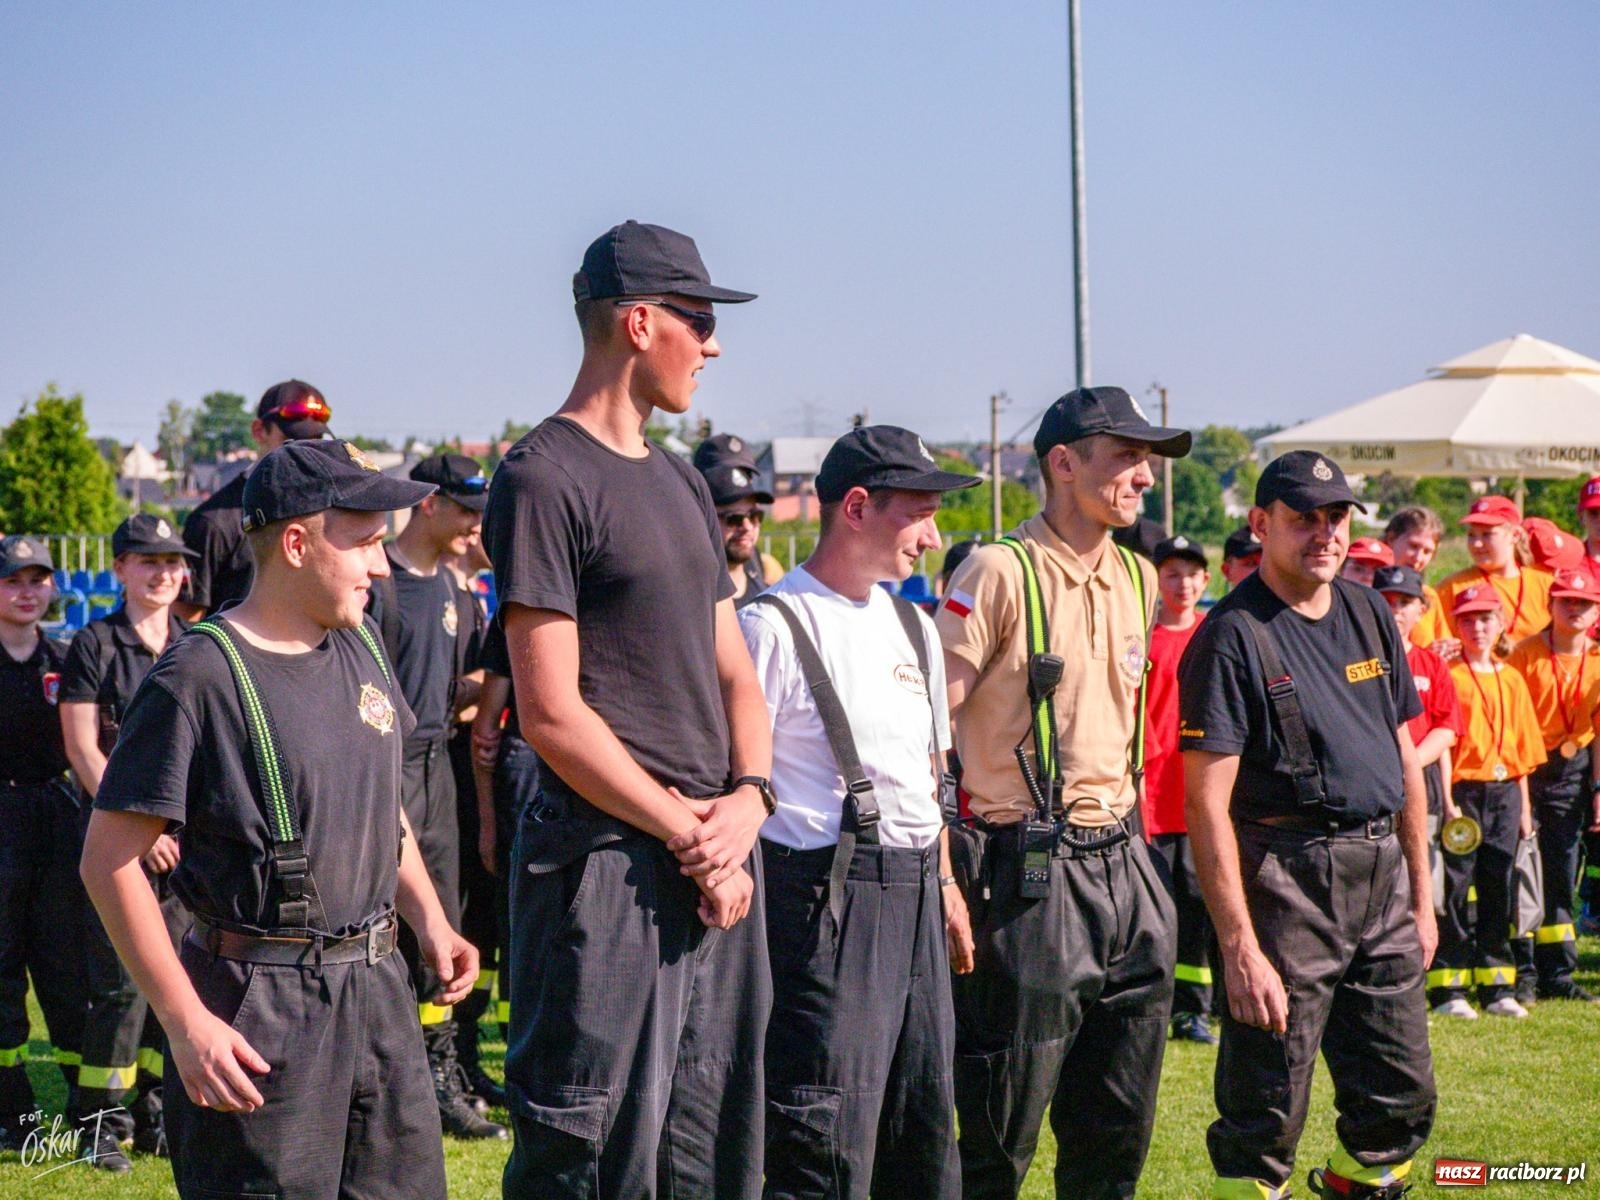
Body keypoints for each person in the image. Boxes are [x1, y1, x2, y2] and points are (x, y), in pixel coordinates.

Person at [79, 439, 476, 1200]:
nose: (381, 565)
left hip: (378, 992)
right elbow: (108, 861)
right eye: (363, 542)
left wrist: (429, 920)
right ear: (297, 542)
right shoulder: (198, 674)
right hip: (263, 1009)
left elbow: (376, 801)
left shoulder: (360, 643)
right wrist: (186, 1022)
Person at [483, 220, 773, 1199]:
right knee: (597, 1160)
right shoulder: (540, 476)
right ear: (639, 322)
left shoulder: (686, 482)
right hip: (606, 874)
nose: (715, 344)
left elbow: (736, 671)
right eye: (700, 320)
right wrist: (694, 834)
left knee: (713, 1149)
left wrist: (751, 798)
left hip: (714, 855)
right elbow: (551, 713)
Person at [936, 385, 1186, 1199]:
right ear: (1064, 463)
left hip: (1127, 861)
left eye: (1147, 460)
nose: (1144, 477)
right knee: (997, 1137)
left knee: (1118, 1128)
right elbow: (926, 724)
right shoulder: (1000, 570)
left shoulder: (1139, 577)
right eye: (1127, 457)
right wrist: (942, 870)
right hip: (1027, 874)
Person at [1179, 451, 1437, 1200]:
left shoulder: (1366, 611)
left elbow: (1404, 761)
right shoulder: (1232, 637)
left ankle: (1362, 1186)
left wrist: (1421, 899)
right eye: (1303, 519)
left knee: (1400, 1095)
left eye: (1337, 517)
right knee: (1265, 1109)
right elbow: (1205, 803)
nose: (1324, 534)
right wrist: (1238, 947)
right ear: (1261, 525)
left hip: (1381, 877)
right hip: (1286, 882)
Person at [742, 426, 977, 1198]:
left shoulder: (913, 623)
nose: (934, 536)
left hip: (914, 895)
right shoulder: (773, 625)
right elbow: (735, 780)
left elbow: (929, 775)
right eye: (919, 513)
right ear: (856, 506)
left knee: (923, 1127)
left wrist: (943, 887)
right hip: (823, 903)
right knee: (825, 1132)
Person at [365, 451, 502, 1140]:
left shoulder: (455, 591)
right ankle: (389, 1074)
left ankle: (440, 1071)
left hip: (438, 771)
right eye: (466, 510)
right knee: (381, 925)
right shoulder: (377, 583)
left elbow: (464, 680)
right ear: (428, 503)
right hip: (385, 774)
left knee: (445, 920)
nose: (476, 525)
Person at [58, 515, 196, 1169]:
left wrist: (172, 828)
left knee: (175, 974)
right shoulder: (94, 642)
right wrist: (140, 830)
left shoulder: (194, 643)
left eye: (172, 562)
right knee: (118, 985)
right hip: (119, 847)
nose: (163, 573)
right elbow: (84, 748)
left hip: (180, 843)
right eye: (149, 561)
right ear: (119, 569)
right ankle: (97, 1121)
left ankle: (152, 1110)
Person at [0, 536, 86, 1152]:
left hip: (55, 816)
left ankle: (83, 1097)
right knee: (2, 965)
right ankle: (11, 1105)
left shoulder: (65, 659)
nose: (28, 591)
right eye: (14, 580)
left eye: (39, 579)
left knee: (63, 961)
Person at [1431, 586, 1544, 1019]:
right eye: (1468, 620)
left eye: (1485, 618)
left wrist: (1525, 810)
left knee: (1500, 887)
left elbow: (1522, 751)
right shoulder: (1450, 675)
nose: (1477, 627)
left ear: (1500, 623)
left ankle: (1497, 986)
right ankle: (1450, 987)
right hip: (1463, 794)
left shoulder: (1511, 677)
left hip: (1505, 795)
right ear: (1456, 626)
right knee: (1456, 888)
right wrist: (1446, 801)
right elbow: (1444, 742)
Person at [1505, 567, 1600, 1003]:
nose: (1575, 609)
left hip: (1573, 771)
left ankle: (1558, 973)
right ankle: (1522, 969)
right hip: (1527, 767)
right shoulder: (1524, 655)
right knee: (1522, 868)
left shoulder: (1598, 660)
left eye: (1584, 603)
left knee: (1562, 872)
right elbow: (1509, 723)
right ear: (1551, 606)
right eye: (1567, 601)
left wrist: (1597, 788)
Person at [1142, 535, 1217, 1045]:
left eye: (1191, 574)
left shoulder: (1216, 636)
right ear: (1156, 581)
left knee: (1198, 901)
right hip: (1151, 797)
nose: (1182, 584)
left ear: (1205, 581)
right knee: (1153, 905)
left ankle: (1195, 1009)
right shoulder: (1139, 640)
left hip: (1202, 794)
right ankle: (1151, 1006)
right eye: (1172, 574)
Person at [178, 380, 333, 620]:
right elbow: (184, 622)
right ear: (259, 431)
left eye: (314, 441)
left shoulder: (328, 510)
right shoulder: (214, 522)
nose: (305, 452)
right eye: (292, 441)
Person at [1372, 565, 1463, 838]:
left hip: (1421, 774)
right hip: (1371, 777)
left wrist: (1411, 763)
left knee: (1422, 863)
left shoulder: (1432, 663)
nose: (1395, 609)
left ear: (1422, 610)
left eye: (1404, 602)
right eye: (1386, 601)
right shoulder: (1353, 658)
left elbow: (1447, 727)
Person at [1429, 495, 1554, 655]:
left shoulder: (1546, 585)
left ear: (1515, 535)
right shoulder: (1452, 587)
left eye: (1487, 534)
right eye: (1471, 535)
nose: (1476, 544)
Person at [695, 432, 786, 607]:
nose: (747, 527)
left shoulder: (765, 568)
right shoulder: (689, 588)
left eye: (754, 516)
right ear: (704, 516)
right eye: (733, 518)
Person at [1382, 507, 1446, 650]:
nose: (1418, 558)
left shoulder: (1428, 596)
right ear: (1391, 539)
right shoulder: (1367, 588)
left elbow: (1440, 641)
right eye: (1413, 546)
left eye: (1427, 551)